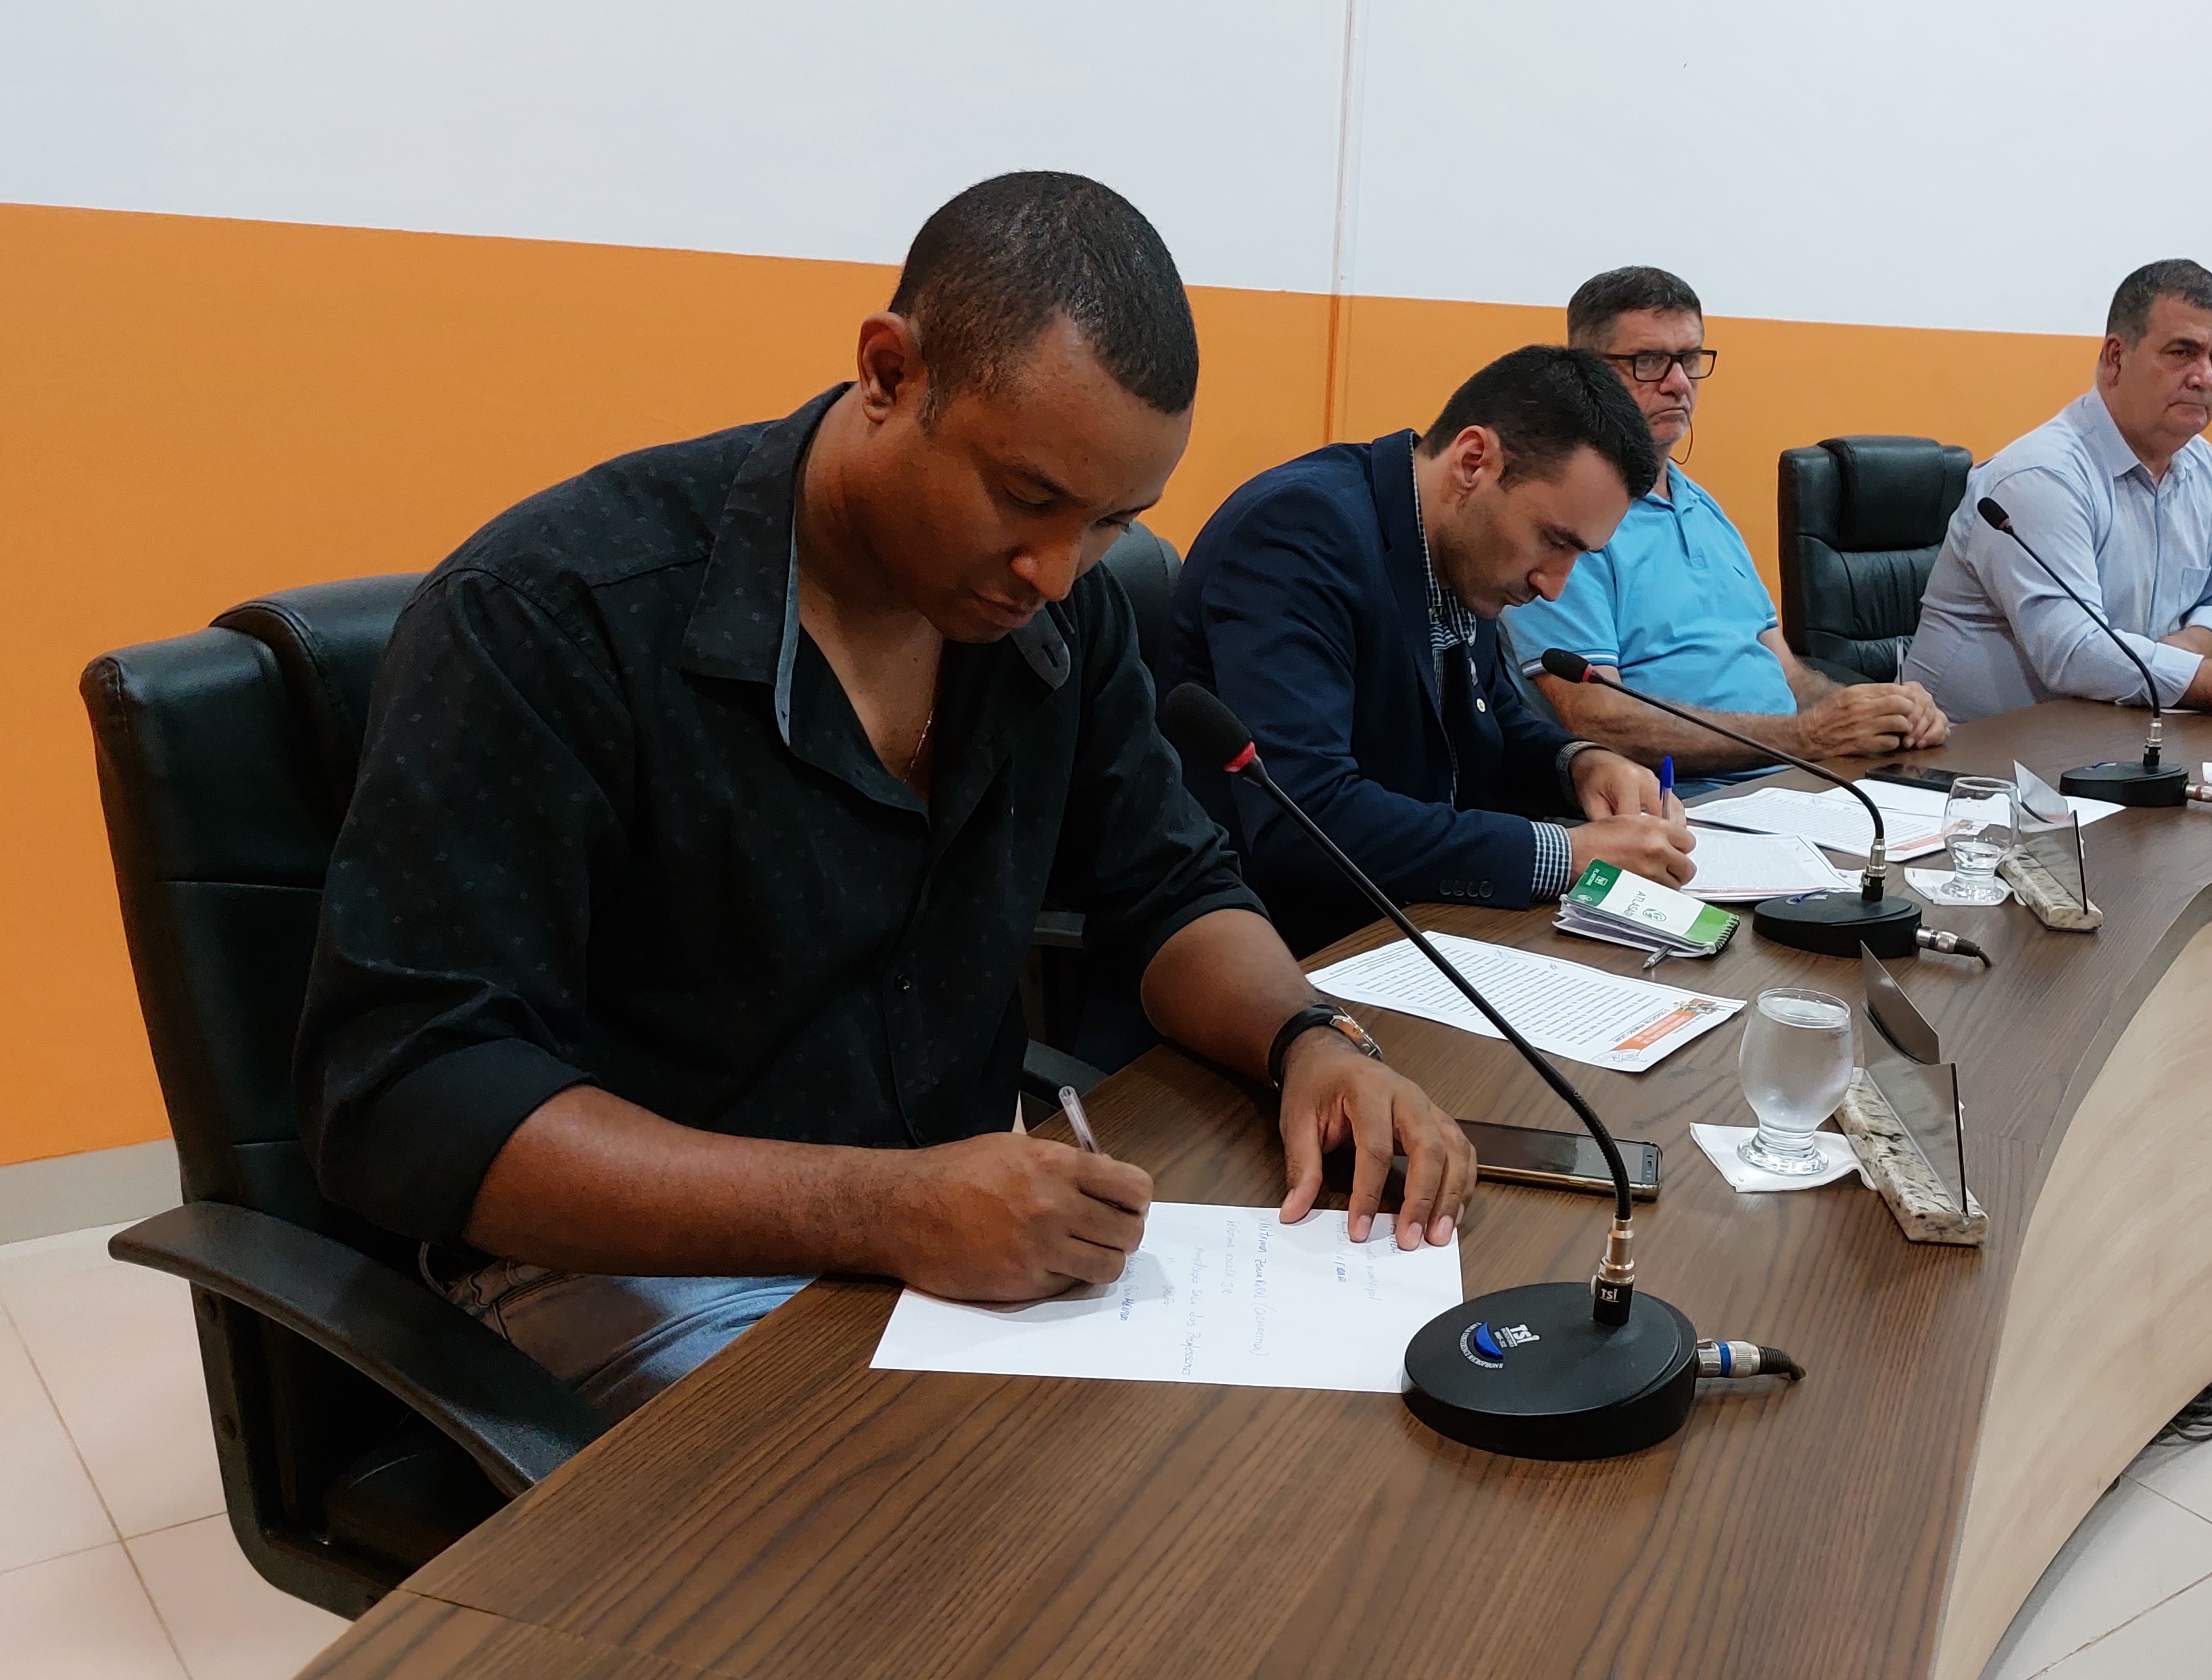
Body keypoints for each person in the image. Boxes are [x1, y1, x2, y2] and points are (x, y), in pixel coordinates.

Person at [299, 172, 1476, 1416]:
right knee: (971, 1519)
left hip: (937, 1242)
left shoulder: (1050, 617)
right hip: (620, 1266)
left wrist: (1308, 1039)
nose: (1055, 569)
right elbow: (407, 1098)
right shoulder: (552, 617)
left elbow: (1170, 882)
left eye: (1110, 523)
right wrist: (884, 1208)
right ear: (887, 373)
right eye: (1027, 498)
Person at [1161, 345, 1696, 953]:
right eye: (1554, 541)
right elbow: (1304, 817)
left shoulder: (1458, 545)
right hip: (1284, 948)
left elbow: (1490, 722)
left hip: (1416, 926)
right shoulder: (1298, 533)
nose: (1554, 585)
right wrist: (1567, 854)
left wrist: (1581, 766)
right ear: (1473, 462)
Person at [1509, 266, 1950, 771]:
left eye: (1689, 359)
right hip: (1691, 801)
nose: (1679, 384)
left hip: (1805, 780)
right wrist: (1803, 737)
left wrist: (1883, 711)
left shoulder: (1702, 508)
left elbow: (1790, 676)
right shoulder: (1565, 525)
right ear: (1588, 374)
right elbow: (1599, 720)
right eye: (1648, 362)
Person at [1901, 260, 2212, 723]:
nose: (2205, 377)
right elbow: (2075, 655)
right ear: (2116, 359)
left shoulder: (2203, 467)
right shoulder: (2039, 477)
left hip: (2116, 734)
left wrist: (2179, 653)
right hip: (1969, 753)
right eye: (2182, 352)